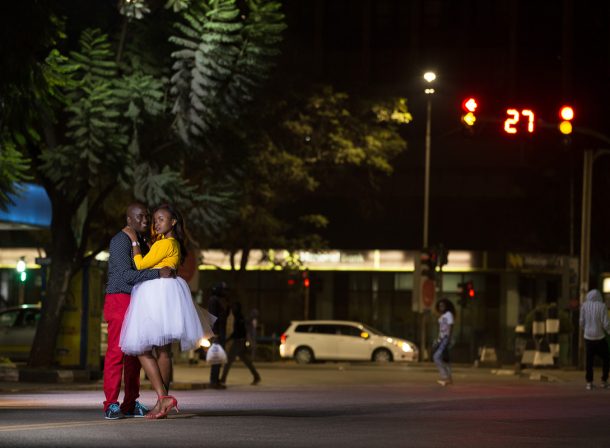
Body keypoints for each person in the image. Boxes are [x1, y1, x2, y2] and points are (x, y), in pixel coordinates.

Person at [119, 204, 215, 419]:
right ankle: (162, 402)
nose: (156, 223)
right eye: (155, 220)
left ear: (173, 222)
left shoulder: (165, 244)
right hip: (167, 293)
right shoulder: (172, 243)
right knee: (163, 351)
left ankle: (162, 397)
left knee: (143, 349)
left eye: (161, 219)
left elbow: (141, 265)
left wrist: (133, 240)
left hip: (157, 293)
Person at [103, 202, 174, 420]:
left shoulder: (142, 241)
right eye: (140, 217)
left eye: (147, 216)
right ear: (129, 220)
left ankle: (130, 403)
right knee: (117, 352)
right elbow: (126, 276)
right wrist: (157, 274)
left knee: (135, 354)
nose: (146, 220)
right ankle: (111, 404)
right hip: (119, 298)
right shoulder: (119, 241)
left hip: (136, 300)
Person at [220, 302, 261, 386]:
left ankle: (223, 379)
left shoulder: (239, 318)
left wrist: (228, 339)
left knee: (228, 361)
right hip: (240, 341)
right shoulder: (239, 317)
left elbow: (238, 332)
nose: (233, 310)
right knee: (246, 360)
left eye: (234, 308)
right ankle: (256, 376)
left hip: (238, 342)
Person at [580, 289, 610, 390]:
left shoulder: (584, 306)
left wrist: (586, 330)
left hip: (588, 337)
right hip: (600, 337)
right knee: (606, 358)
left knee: (589, 361)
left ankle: (589, 382)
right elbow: (606, 323)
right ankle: (604, 381)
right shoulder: (602, 306)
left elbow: (581, 322)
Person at [208, 282, 229, 389]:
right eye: (223, 290)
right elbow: (213, 317)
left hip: (221, 332)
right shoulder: (214, 300)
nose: (225, 292)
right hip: (218, 333)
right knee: (216, 357)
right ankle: (213, 381)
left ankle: (216, 380)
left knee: (219, 357)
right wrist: (215, 333)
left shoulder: (220, 300)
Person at [433, 298, 456, 386]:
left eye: (443, 306)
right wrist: (438, 339)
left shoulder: (448, 314)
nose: (441, 307)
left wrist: (448, 339)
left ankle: (445, 377)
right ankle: (449, 379)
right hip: (442, 339)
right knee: (445, 359)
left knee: (436, 357)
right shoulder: (442, 316)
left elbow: (450, 326)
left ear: (446, 306)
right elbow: (441, 330)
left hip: (446, 338)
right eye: (439, 306)